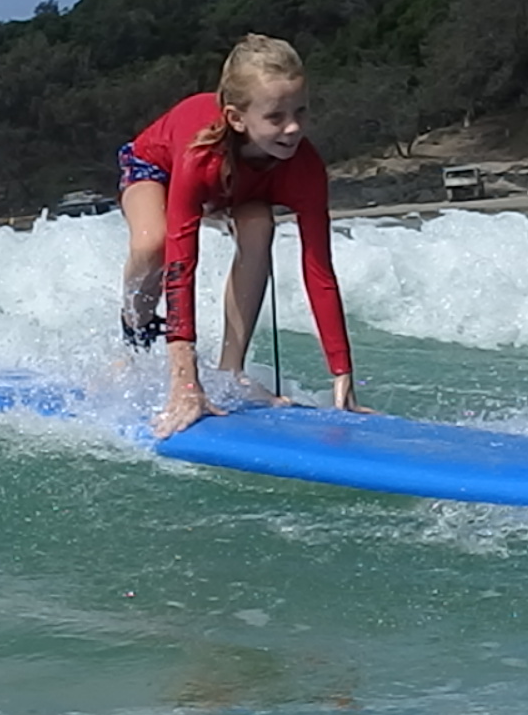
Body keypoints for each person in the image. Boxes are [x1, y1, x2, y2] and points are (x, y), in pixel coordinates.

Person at [118, 34, 366, 436]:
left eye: (301, 111)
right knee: (154, 243)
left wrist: (342, 375)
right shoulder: (199, 156)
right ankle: (133, 344)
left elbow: (319, 270)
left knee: (259, 225)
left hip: (241, 184)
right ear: (236, 117)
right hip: (159, 169)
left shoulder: (304, 167)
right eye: (276, 117)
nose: (293, 128)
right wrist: (186, 382)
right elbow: (182, 264)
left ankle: (232, 371)